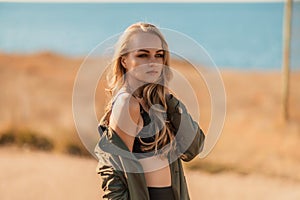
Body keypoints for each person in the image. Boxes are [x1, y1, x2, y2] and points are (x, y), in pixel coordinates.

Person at [94, 22, 205, 200]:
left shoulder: (159, 102)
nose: (153, 62)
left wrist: (168, 99)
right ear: (124, 60)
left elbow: (194, 147)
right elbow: (113, 173)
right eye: (143, 55)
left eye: (158, 55)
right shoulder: (127, 103)